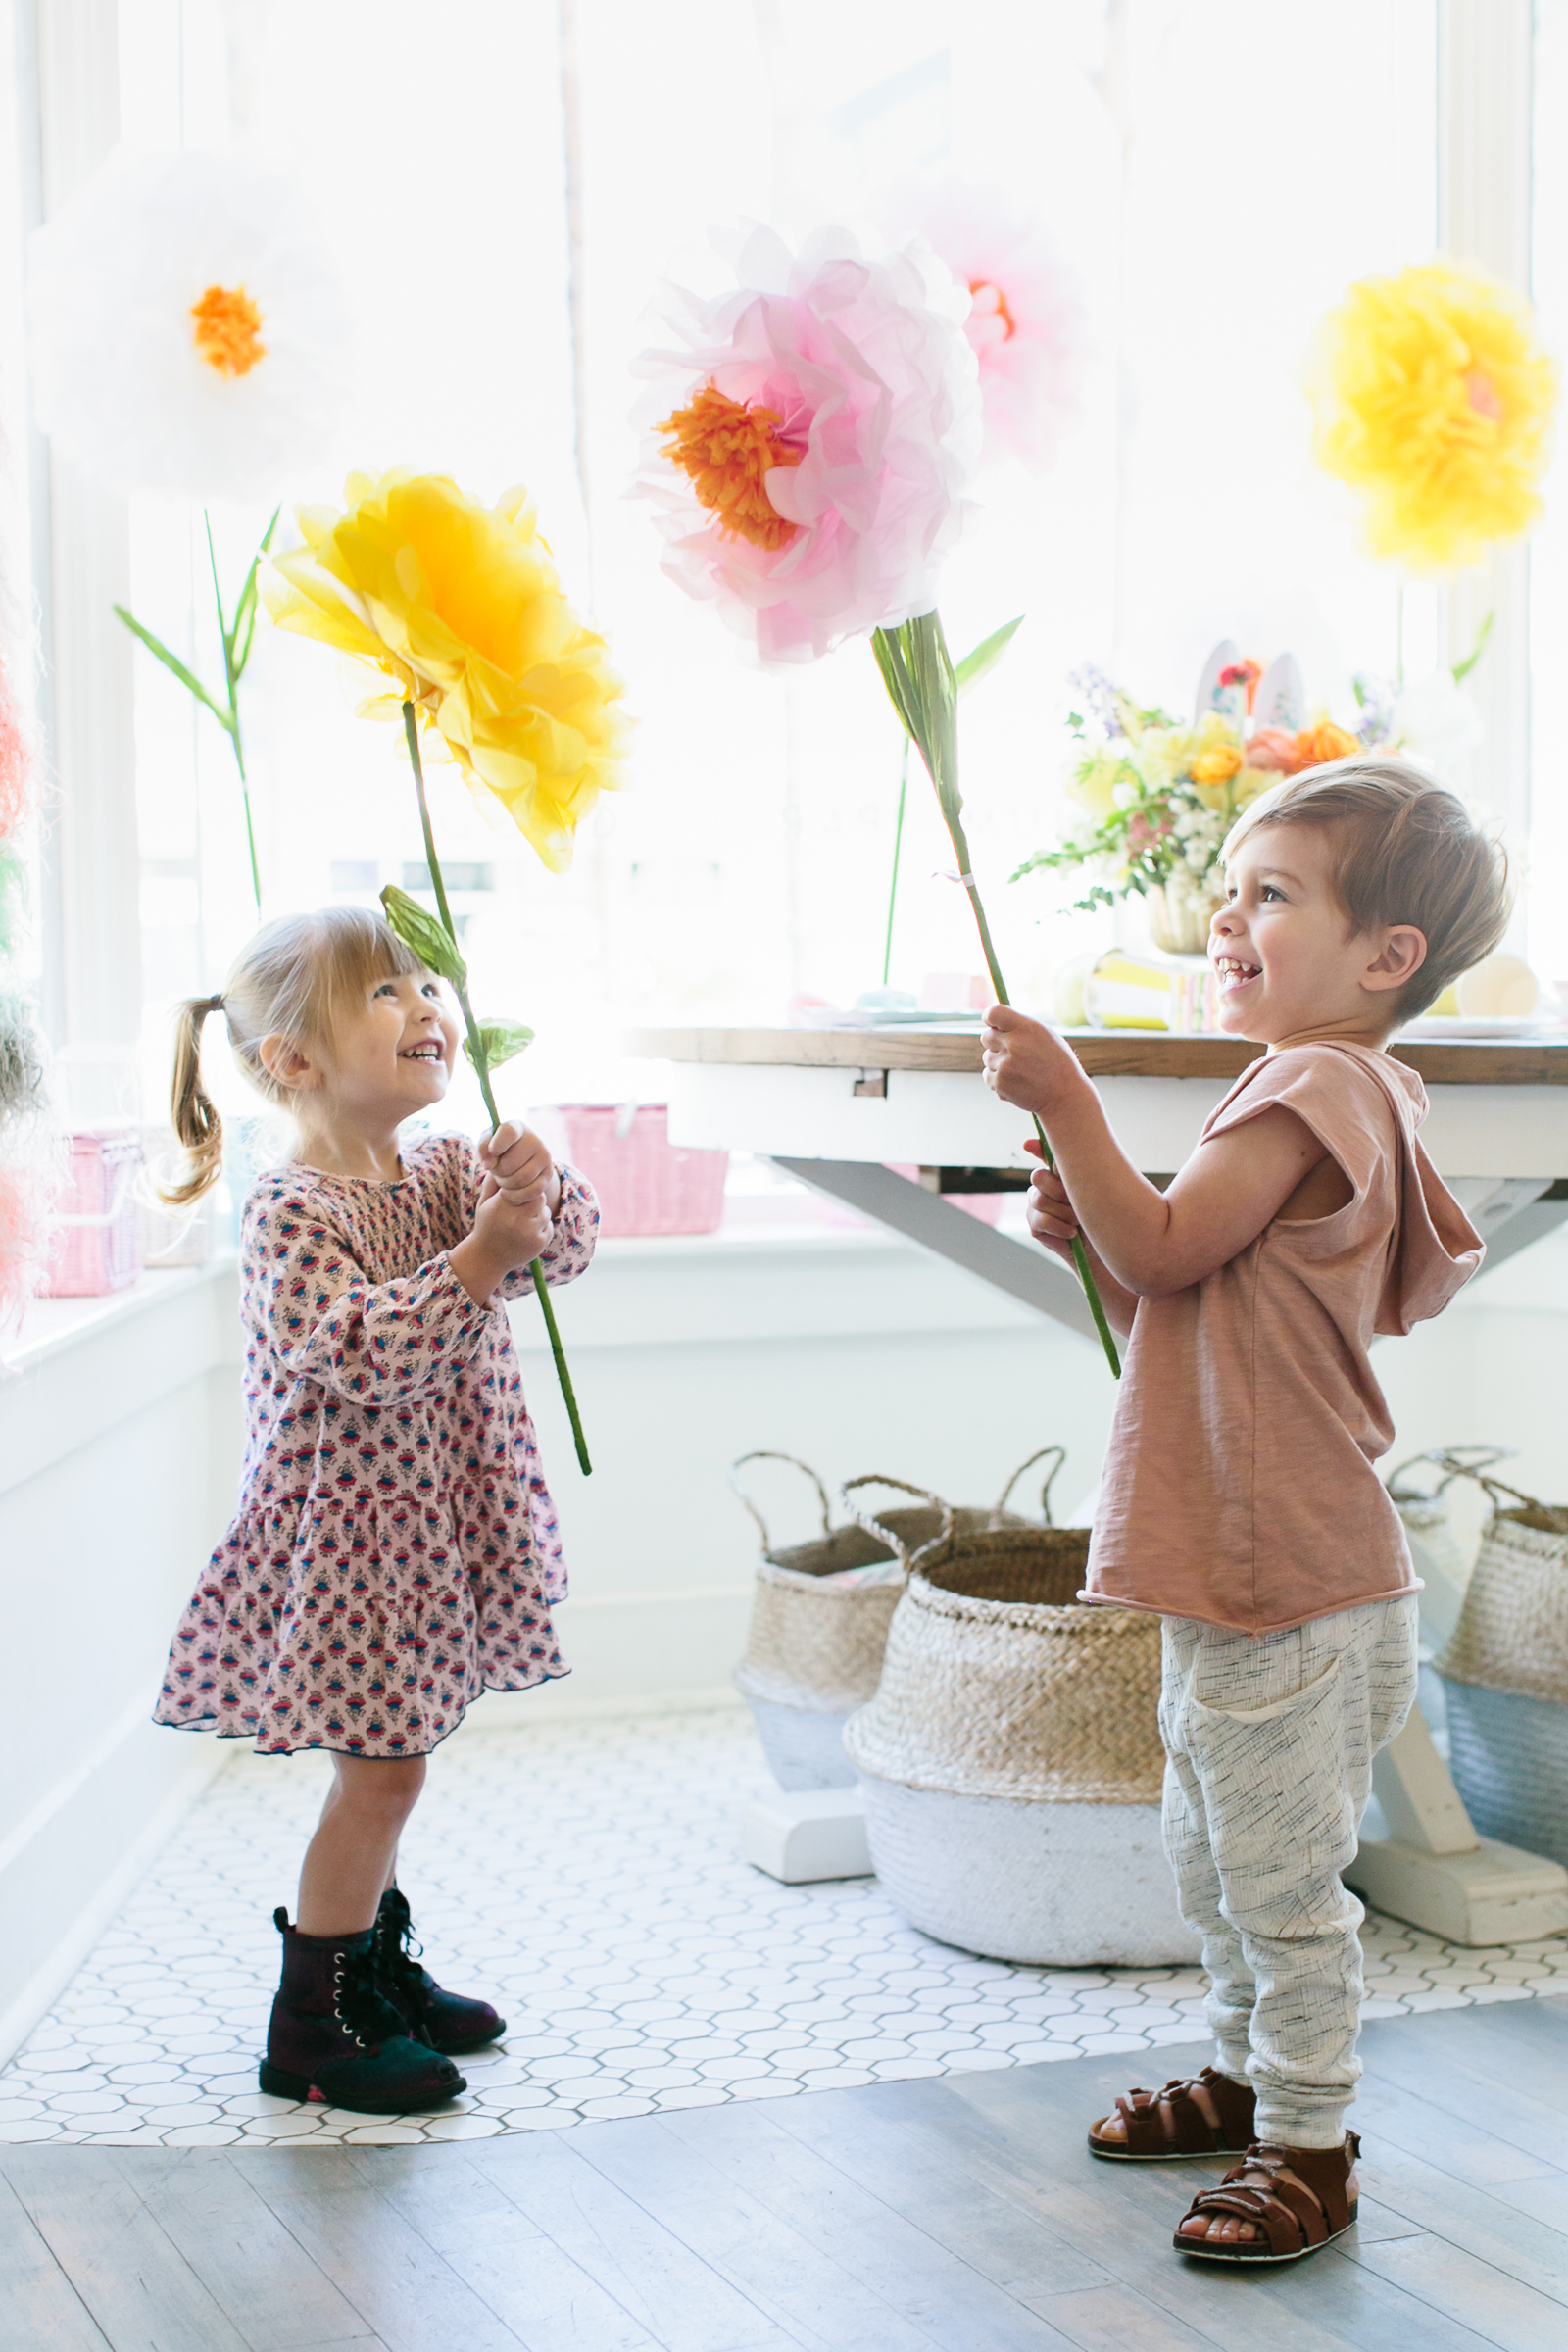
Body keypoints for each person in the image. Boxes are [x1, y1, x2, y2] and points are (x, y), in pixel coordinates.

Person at [982, 758, 1509, 2265]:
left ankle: (1312, 2147)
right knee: (1217, 1866)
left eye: (1271, 893)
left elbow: (1159, 1251)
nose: (1229, 917)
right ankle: (1247, 2082)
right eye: (1231, 887)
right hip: (1253, 1576)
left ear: (1385, 958)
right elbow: (1176, 1282)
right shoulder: (1333, 1084)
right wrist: (1092, 1224)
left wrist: (1074, 1108)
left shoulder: (1316, 1081)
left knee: (1282, 1896)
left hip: (1292, 1585)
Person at [152, 906, 598, 2115]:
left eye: (423, 987)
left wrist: (537, 1192)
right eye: (384, 994)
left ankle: (371, 1968)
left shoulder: (447, 1167)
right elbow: (355, 1351)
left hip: (433, 1524)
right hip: (347, 1544)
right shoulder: (292, 1207)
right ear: (293, 1060)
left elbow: (567, 1256)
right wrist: (476, 1261)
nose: (425, 1010)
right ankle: (314, 2021)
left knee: (402, 1750)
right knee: (382, 1772)